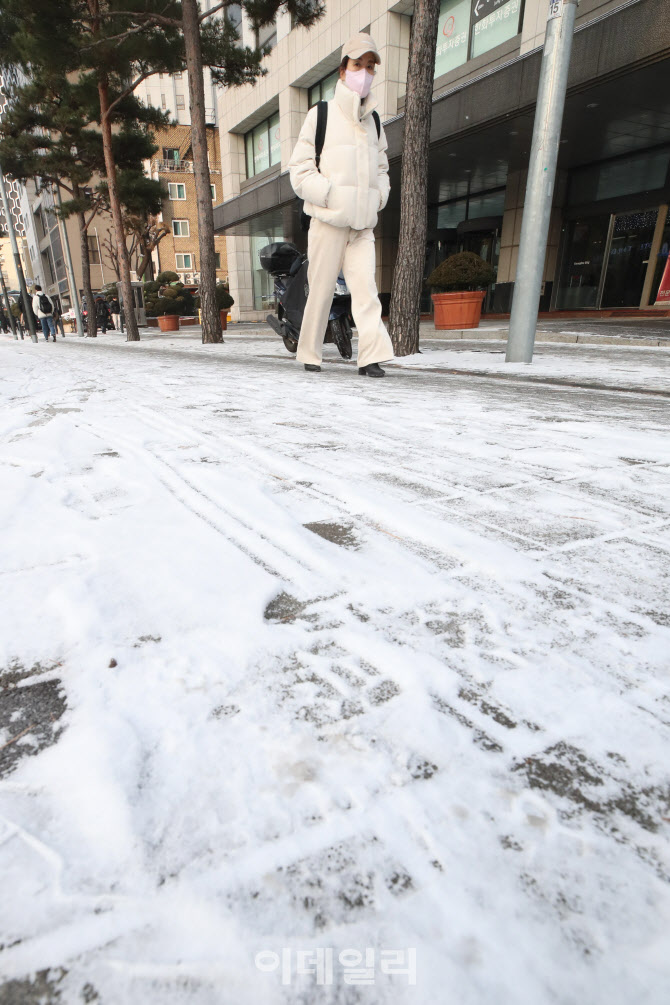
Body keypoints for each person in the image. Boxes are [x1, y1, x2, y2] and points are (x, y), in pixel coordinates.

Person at [288, 32, 394, 378]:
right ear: (343, 70)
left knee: (366, 292)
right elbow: (300, 170)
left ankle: (371, 357)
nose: (363, 73)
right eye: (357, 65)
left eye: (369, 67)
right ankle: (309, 353)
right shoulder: (321, 114)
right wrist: (332, 195)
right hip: (329, 223)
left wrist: (378, 199)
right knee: (319, 290)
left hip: (362, 226)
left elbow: (382, 167)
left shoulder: (374, 121)